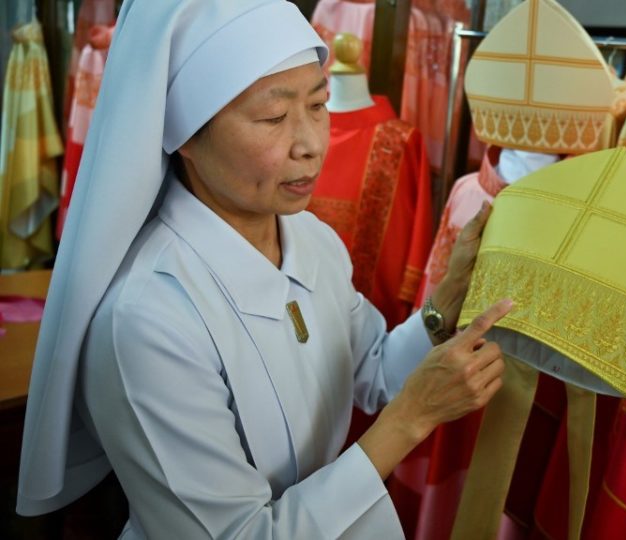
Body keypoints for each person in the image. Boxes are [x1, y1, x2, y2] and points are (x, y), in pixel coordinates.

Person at [16, 1, 511, 537]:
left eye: (319, 104)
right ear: (183, 135)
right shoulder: (147, 318)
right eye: (274, 118)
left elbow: (371, 369)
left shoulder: (311, 239)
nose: (311, 144)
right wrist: (410, 419)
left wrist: (445, 301)